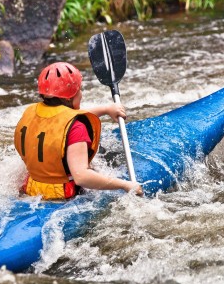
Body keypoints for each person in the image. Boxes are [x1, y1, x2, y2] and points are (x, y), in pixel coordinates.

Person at [14, 62, 142, 200]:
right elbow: (81, 177)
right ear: (70, 97)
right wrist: (125, 185)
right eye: (79, 89)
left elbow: (61, 118)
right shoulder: (77, 127)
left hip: (31, 189)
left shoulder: (31, 111)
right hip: (62, 198)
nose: (81, 94)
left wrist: (105, 109)